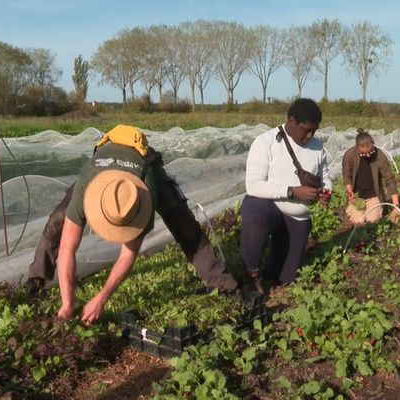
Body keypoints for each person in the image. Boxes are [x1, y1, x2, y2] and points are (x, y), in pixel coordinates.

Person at [27, 125, 240, 323]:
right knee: (57, 222)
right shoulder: (86, 185)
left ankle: (224, 284)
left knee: (185, 227)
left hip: (147, 167)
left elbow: (127, 255)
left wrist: (101, 299)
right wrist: (68, 304)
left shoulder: (142, 199)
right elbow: (67, 248)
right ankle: (36, 278)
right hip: (102, 170)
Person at [241, 98, 332, 292]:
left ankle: (274, 269)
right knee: (254, 211)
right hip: (270, 208)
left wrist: (326, 192)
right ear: (291, 121)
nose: (310, 135)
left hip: (297, 216)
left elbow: (325, 176)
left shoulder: (317, 147)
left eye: (314, 130)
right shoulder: (266, 142)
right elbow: (253, 185)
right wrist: (292, 191)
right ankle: (252, 274)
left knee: (285, 278)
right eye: (306, 129)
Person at [342, 129, 399, 224]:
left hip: (374, 196)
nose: (368, 155)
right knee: (359, 221)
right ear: (357, 147)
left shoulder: (380, 156)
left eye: (370, 152)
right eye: (364, 154)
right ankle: (350, 208)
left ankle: (376, 207)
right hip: (358, 197)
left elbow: (390, 180)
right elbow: (346, 176)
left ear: (373, 143)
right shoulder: (350, 155)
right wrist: (350, 194)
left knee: (372, 221)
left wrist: (396, 205)